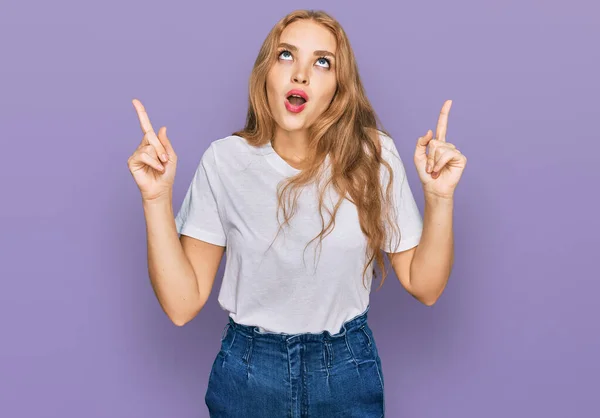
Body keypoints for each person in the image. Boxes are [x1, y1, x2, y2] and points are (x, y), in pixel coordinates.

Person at [127, 8, 466, 418]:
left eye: (322, 62)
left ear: (339, 88)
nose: (301, 73)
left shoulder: (373, 157)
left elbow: (425, 286)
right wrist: (155, 198)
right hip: (249, 374)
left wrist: (440, 198)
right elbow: (181, 306)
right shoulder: (225, 161)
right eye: (287, 55)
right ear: (266, 74)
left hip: (345, 370)